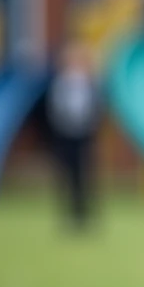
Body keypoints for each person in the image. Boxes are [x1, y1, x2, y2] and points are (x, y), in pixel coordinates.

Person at [44, 43, 102, 230]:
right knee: (66, 174)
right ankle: (68, 214)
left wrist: (89, 125)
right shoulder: (60, 83)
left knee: (84, 174)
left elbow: (96, 108)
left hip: (84, 134)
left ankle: (84, 214)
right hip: (65, 134)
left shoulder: (89, 83)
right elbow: (53, 109)